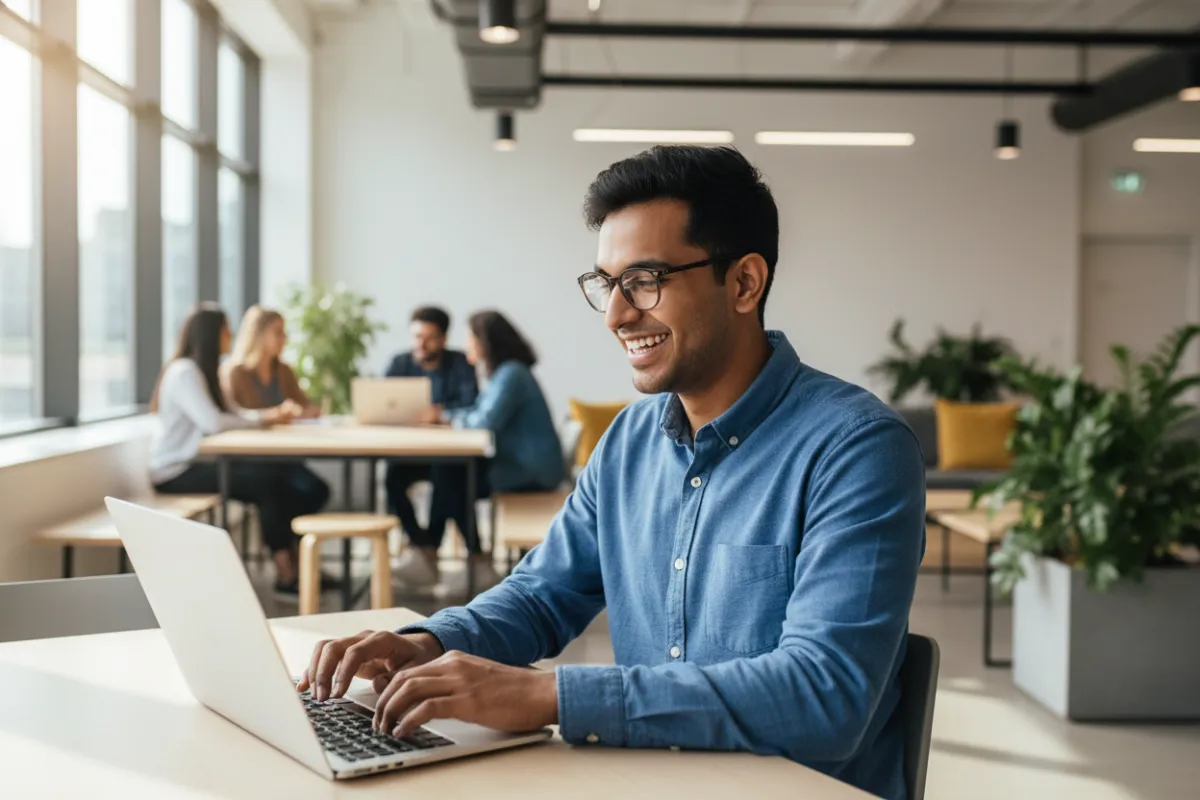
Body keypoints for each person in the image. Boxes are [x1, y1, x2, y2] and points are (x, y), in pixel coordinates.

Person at [298, 147, 925, 800]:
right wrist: (427, 642)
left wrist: (550, 695)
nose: (616, 315)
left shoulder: (857, 449)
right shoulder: (628, 440)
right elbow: (544, 596)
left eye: (646, 281)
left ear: (743, 283)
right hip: (649, 779)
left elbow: (824, 695)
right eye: (607, 283)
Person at [150, 303, 330, 596]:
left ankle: (292, 564)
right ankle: (286, 570)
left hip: (197, 463)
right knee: (267, 482)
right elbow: (213, 422)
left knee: (277, 480)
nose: (230, 336)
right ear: (211, 335)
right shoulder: (185, 372)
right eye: (225, 330)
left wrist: (265, 416)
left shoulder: (203, 371)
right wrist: (264, 417)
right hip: (175, 471)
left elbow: (232, 413)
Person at [411, 310, 565, 592]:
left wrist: (445, 418)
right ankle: (460, 556)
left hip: (532, 471)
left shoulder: (512, 374)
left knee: (452, 475)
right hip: (521, 465)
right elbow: (479, 411)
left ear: (485, 341)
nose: (467, 345)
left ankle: (458, 557)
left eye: (471, 338)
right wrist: (447, 415)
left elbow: (483, 421)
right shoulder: (507, 373)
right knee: (449, 472)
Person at [382, 306, 479, 587]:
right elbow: (382, 404)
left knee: (448, 475)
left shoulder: (460, 363)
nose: (420, 344)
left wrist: (439, 414)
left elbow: (471, 404)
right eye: (416, 337)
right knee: (391, 479)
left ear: (443, 338)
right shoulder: (399, 363)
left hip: (447, 453)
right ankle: (421, 544)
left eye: (428, 337)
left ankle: (427, 551)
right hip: (408, 452)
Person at [221, 305, 332, 526]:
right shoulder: (235, 373)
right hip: (253, 458)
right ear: (258, 334)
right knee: (273, 489)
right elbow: (234, 417)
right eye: (278, 332)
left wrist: (303, 412)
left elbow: (306, 407)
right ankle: (287, 552)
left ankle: (288, 544)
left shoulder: (283, 371)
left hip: (285, 456)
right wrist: (274, 415)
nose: (284, 338)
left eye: (284, 332)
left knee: (317, 490)